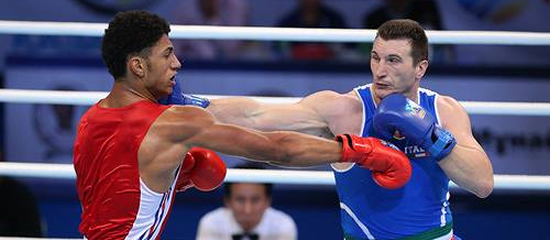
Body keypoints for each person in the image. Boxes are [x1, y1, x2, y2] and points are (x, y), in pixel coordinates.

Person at [73, 11, 412, 240]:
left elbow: (116, 191)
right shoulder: (173, 123)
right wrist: (358, 150)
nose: (178, 62)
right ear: (138, 66)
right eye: (167, 54)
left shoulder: (91, 119)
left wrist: (169, 178)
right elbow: (277, 149)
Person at [187, 19, 493, 239]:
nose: (380, 70)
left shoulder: (444, 111)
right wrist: (192, 105)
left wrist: (429, 135)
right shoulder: (345, 110)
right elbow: (256, 115)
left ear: (420, 69)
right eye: (375, 57)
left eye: (393, 60)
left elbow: (482, 184)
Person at [196, 163, 297, 240]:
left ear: (268, 201)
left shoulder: (283, 225)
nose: (247, 210)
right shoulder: (211, 223)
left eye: (255, 200)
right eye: (240, 200)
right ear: (227, 201)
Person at [172, 0, 248, 59]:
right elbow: (175, 47)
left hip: (228, 67)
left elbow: (231, 48)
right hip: (190, 65)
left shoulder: (235, 6)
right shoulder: (185, 7)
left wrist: (212, 17)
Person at [276, 0, 348, 60]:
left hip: (330, 68)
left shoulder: (334, 20)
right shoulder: (288, 21)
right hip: (296, 69)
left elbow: (347, 47)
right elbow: (278, 48)